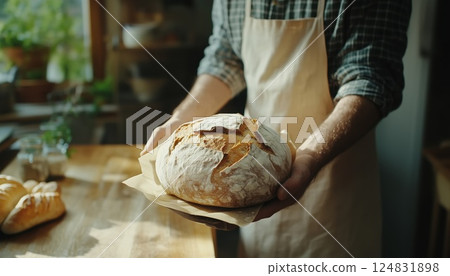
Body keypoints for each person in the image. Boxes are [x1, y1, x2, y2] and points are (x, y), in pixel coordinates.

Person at [141, 0, 411, 257]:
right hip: (250, 181)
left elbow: (370, 77)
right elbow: (225, 59)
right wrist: (182, 118)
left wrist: (310, 156)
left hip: (335, 191)